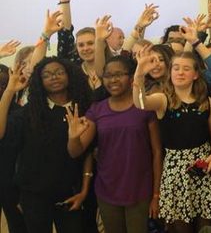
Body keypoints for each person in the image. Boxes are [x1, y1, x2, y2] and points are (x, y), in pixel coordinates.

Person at [133, 32, 211, 233]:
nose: (180, 72)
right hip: (176, 172)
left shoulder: (207, 102)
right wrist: (139, 74)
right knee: (181, 228)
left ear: (196, 74)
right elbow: (140, 103)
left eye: (186, 69)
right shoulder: (163, 99)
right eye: (176, 68)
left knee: (207, 227)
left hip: (204, 167)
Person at [65, 56, 162, 233]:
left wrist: (156, 194)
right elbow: (75, 152)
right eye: (108, 75)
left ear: (132, 78)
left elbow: (157, 152)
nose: (113, 80)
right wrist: (73, 137)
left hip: (140, 190)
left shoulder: (145, 107)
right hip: (107, 190)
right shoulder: (97, 110)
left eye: (119, 74)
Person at [0, 57, 93, 232]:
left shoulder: (84, 108)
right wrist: (10, 91)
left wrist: (84, 191)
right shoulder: (30, 112)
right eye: (47, 75)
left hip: (70, 193)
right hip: (33, 195)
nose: (54, 77)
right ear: (39, 81)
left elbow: (86, 152)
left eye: (59, 72)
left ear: (69, 75)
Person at [0, 64, 27, 233]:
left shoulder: (20, 114)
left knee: (18, 226)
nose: (1, 88)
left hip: (12, 185)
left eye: (4, 84)